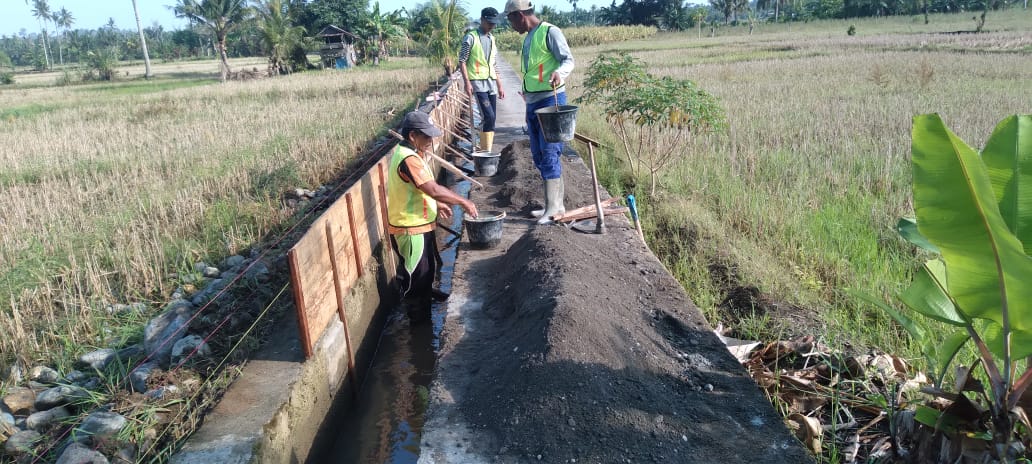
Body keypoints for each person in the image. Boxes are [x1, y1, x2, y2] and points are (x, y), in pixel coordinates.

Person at [388, 111, 478, 318]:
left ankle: (424, 319)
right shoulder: (408, 159)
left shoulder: (412, 154)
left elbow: (419, 190)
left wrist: (436, 204)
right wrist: (463, 200)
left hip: (421, 226)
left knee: (426, 276)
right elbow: (433, 189)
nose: (431, 140)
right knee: (416, 282)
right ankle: (418, 329)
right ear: (413, 136)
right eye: (427, 136)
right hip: (411, 230)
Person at [503, 0, 574, 225]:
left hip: (550, 100)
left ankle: (553, 209)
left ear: (519, 15)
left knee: (550, 152)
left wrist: (559, 73)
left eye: (510, 20)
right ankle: (553, 204)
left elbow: (568, 60)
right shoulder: (528, 38)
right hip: (533, 102)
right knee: (538, 154)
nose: (511, 26)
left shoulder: (550, 32)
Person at [459, 7, 506, 154]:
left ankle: (487, 150)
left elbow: (494, 63)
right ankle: (483, 147)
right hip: (477, 83)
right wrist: (467, 82)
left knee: (493, 118)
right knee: (488, 116)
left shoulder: (492, 39)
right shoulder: (470, 37)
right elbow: (462, 61)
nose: (492, 26)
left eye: (494, 23)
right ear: (482, 20)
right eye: (489, 22)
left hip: (491, 82)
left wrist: (500, 85)